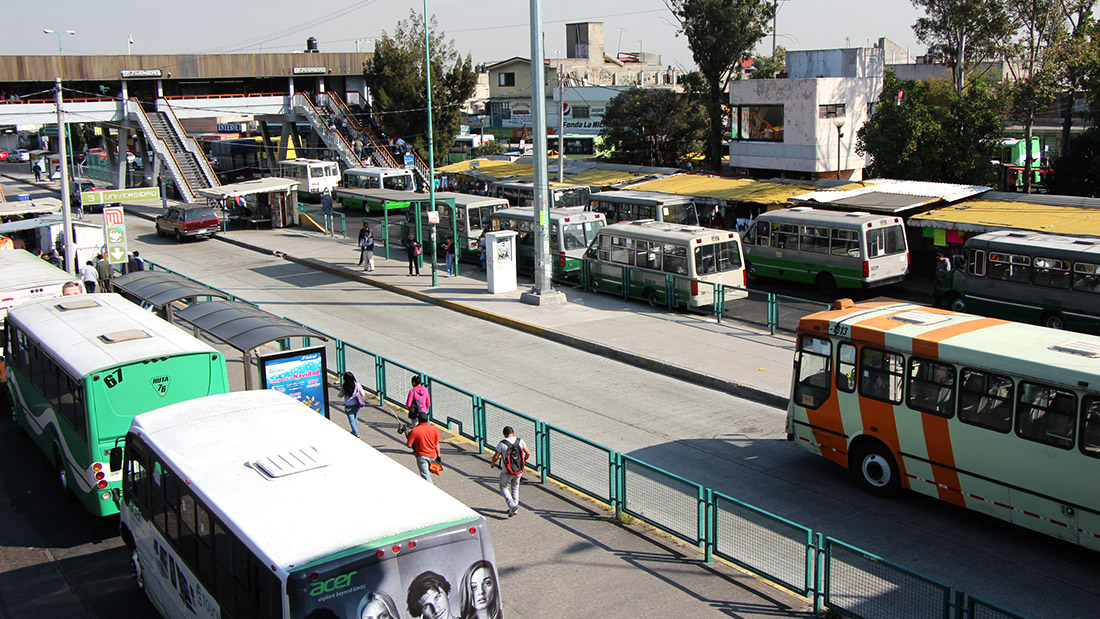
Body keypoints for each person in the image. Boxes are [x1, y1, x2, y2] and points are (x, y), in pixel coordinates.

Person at [490, 426, 531, 517]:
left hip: (507, 471)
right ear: (514, 433)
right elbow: (528, 453)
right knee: (515, 488)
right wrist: (523, 461)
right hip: (519, 470)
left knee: (503, 487)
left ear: (504, 435)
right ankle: (515, 508)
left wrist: (492, 464)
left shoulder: (502, 444)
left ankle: (512, 505)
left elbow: (495, 457)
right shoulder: (520, 441)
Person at [406, 411, 441, 485]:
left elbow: (409, 445)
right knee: (429, 474)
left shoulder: (415, 430)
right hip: (433, 455)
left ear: (418, 420)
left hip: (422, 456)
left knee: (426, 477)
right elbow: (437, 443)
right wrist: (439, 456)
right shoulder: (433, 429)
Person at [341, 371, 367, 438]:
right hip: (356, 404)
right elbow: (363, 394)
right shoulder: (357, 385)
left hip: (348, 405)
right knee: (355, 418)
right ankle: (354, 431)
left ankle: (357, 435)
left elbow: (340, 395)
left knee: (351, 420)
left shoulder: (344, 386)